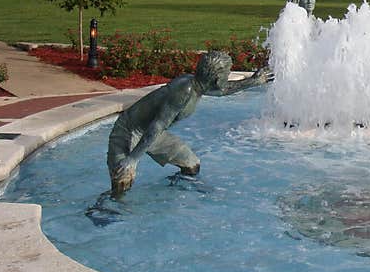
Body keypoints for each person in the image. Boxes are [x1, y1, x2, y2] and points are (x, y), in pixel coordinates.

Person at [107, 51, 272, 197]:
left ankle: (171, 190)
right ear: (216, 78)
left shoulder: (199, 85)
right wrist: (133, 159)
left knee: (192, 165)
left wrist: (254, 81)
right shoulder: (184, 90)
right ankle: (105, 208)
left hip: (152, 134)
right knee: (121, 181)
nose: (227, 78)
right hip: (129, 131)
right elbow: (156, 126)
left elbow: (223, 90)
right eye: (226, 74)